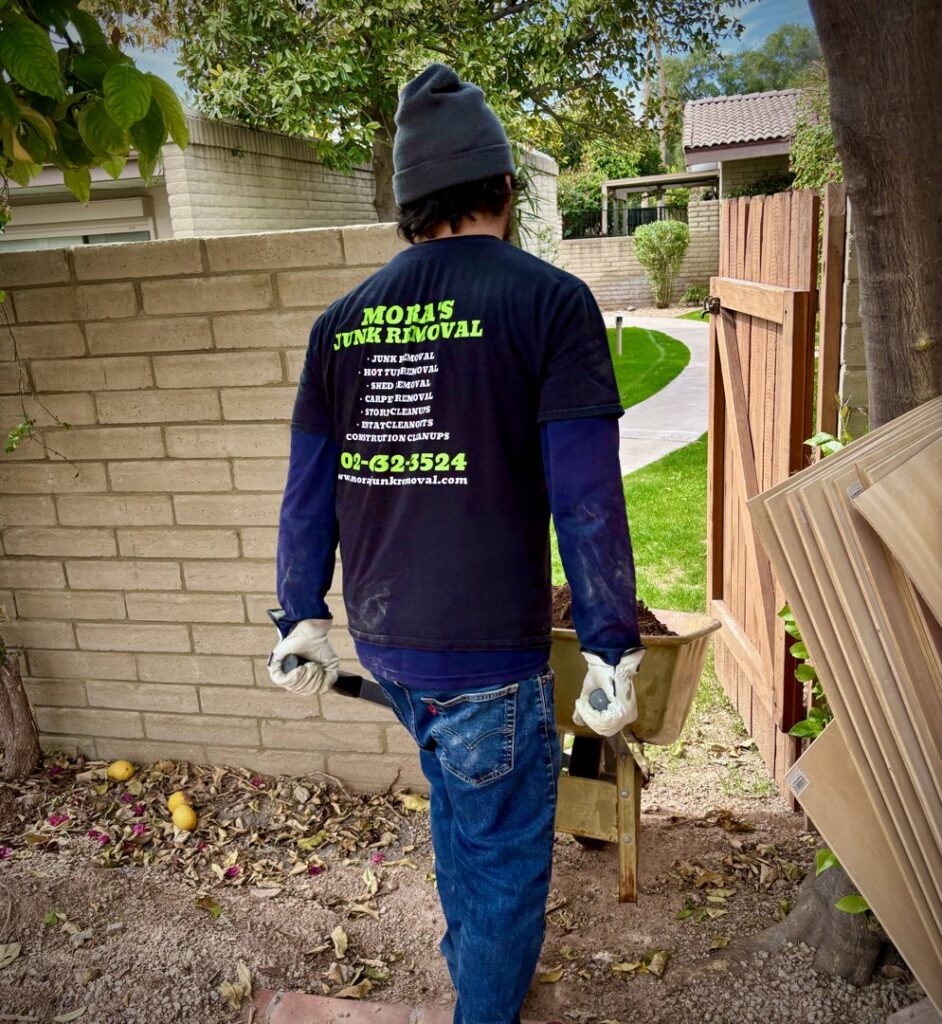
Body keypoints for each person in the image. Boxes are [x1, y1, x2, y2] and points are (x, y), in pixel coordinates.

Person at [269, 63, 643, 1024]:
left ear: (408, 204)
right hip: (487, 661)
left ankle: (470, 971)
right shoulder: (549, 304)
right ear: (505, 189)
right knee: (508, 860)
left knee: (458, 812)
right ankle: (485, 1003)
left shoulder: (340, 325)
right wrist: (608, 640)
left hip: (389, 646)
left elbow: (307, 492)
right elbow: (587, 498)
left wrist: (301, 613)